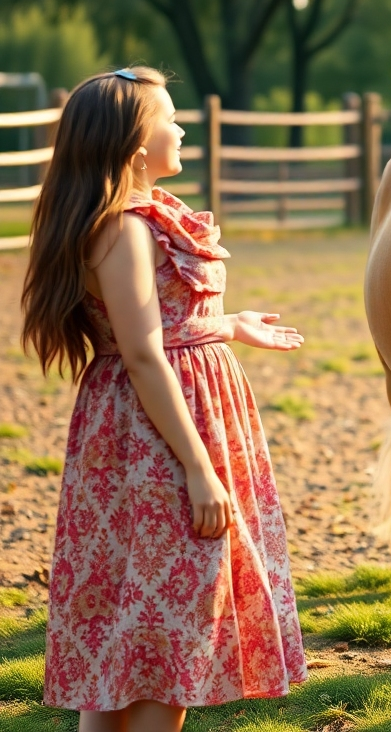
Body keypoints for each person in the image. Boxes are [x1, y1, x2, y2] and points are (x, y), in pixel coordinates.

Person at [21, 67, 307, 731]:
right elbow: (144, 353)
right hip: (157, 440)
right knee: (170, 626)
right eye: (168, 118)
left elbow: (159, 330)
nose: (181, 128)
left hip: (156, 424)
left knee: (135, 628)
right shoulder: (123, 231)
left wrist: (230, 326)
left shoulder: (137, 223)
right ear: (130, 143)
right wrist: (200, 470)